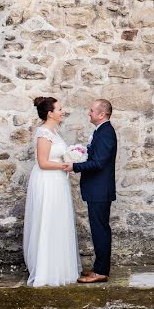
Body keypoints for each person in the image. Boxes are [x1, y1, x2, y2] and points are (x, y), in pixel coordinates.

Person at [22, 96, 81, 287]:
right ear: (50, 113)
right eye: (59, 109)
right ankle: (46, 271)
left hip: (57, 181)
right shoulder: (43, 133)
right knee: (47, 220)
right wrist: (66, 164)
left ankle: (59, 268)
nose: (62, 112)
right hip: (47, 181)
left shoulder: (54, 131)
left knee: (58, 221)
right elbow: (43, 162)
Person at [67, 99, 117, 284]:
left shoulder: (105, 133)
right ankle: (99, 267)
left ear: (101, 114)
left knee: (100, 230)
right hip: (97, 189)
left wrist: (74, 165)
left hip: (99, 189)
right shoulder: (101, 131)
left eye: (91, 111)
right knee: (98, 229)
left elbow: (99, 163)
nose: (89, 113)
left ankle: (101, 271)